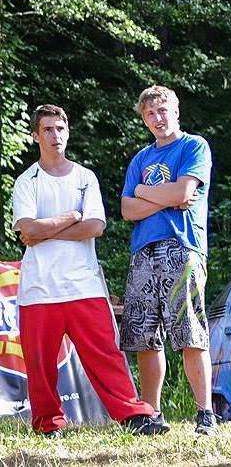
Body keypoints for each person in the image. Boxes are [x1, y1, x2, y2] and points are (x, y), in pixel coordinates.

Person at [12, 104, 160, 437]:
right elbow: (28, 233)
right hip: (39, 288)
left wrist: (45, 229)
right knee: (40, 364)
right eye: (47, 130)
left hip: (84, 285)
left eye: (60, 129)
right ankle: (48, 424)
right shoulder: (27, 182)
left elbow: (94, 226)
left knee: (106, 354)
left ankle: (134, 416)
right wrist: (69, 217)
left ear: (68, 132)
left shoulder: (84, 177)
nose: (55, 136)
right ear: (36, 135)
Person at [120, 86, 217, 435]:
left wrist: (146, 193)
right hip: (143, 251)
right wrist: (160, 195)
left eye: (163, 110)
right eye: (150, 114)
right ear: (144, 119)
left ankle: (205, 413)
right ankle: (151, 415)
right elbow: (127, 210)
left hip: (183, 246)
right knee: (145, 336)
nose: (158, 118)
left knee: (189, 330)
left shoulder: (193, 146)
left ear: (176, 110)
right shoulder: (140, 160)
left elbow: (184, 192)